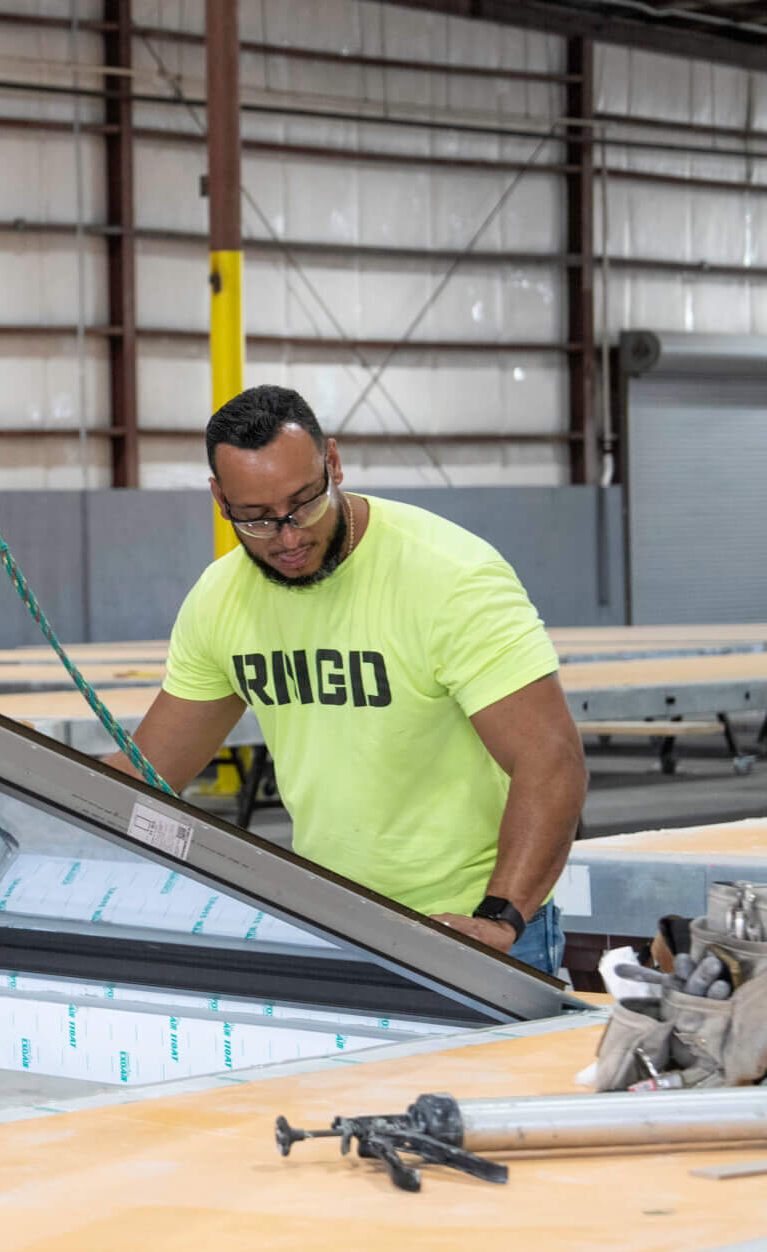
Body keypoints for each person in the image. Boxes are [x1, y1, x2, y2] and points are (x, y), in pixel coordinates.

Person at [115, 385, 586, 976]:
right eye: (257, 519)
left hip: (470, 931)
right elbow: (148, 772)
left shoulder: (449, 576)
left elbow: (552, 757)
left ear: (333, 463)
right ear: (219, 499)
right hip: (333, 929)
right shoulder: (220, 600)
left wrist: (500, 916)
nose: (288, 537)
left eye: (304, 503)